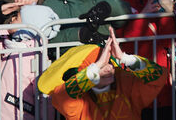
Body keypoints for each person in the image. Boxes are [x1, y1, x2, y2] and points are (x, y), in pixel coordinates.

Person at [39, 31, 168, 120]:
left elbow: (159, 76)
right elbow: (63, 97)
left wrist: (125, 58)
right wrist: (95, 69)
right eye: (101, 65)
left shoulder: (125, 83)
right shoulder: (80, 100)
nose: (108, 68)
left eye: (110, 62)